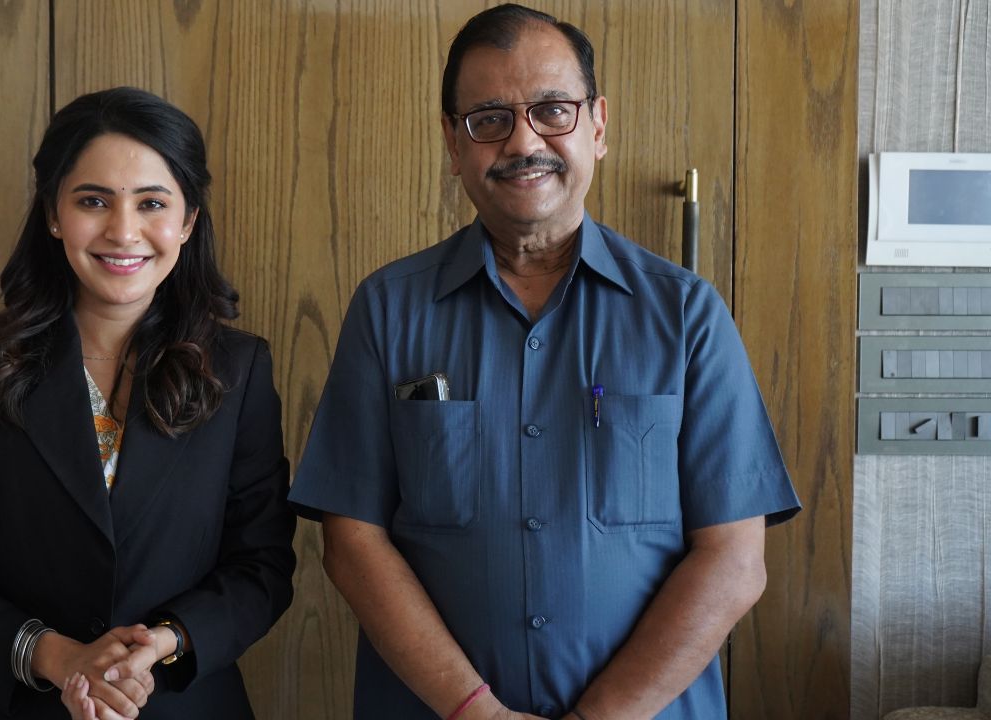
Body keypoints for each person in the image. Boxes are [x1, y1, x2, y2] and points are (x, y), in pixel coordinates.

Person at [288, 5, 801, 719]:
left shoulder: (686, 313)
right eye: (489, 119)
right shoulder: (387, 309)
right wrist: (476, 711)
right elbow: (352, 542)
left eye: (553, 111)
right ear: (453, 141)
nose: (524, 141)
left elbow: (734, 560)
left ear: (598, 125)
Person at [0, 86, 296, 719]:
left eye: (152, 203)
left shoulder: (238, 371)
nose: (123, 231)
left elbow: (262, 567)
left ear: (188, 221)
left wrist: (161, 644)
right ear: (54, 214)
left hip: (180, 704)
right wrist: (58, 658)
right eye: (93, 201)